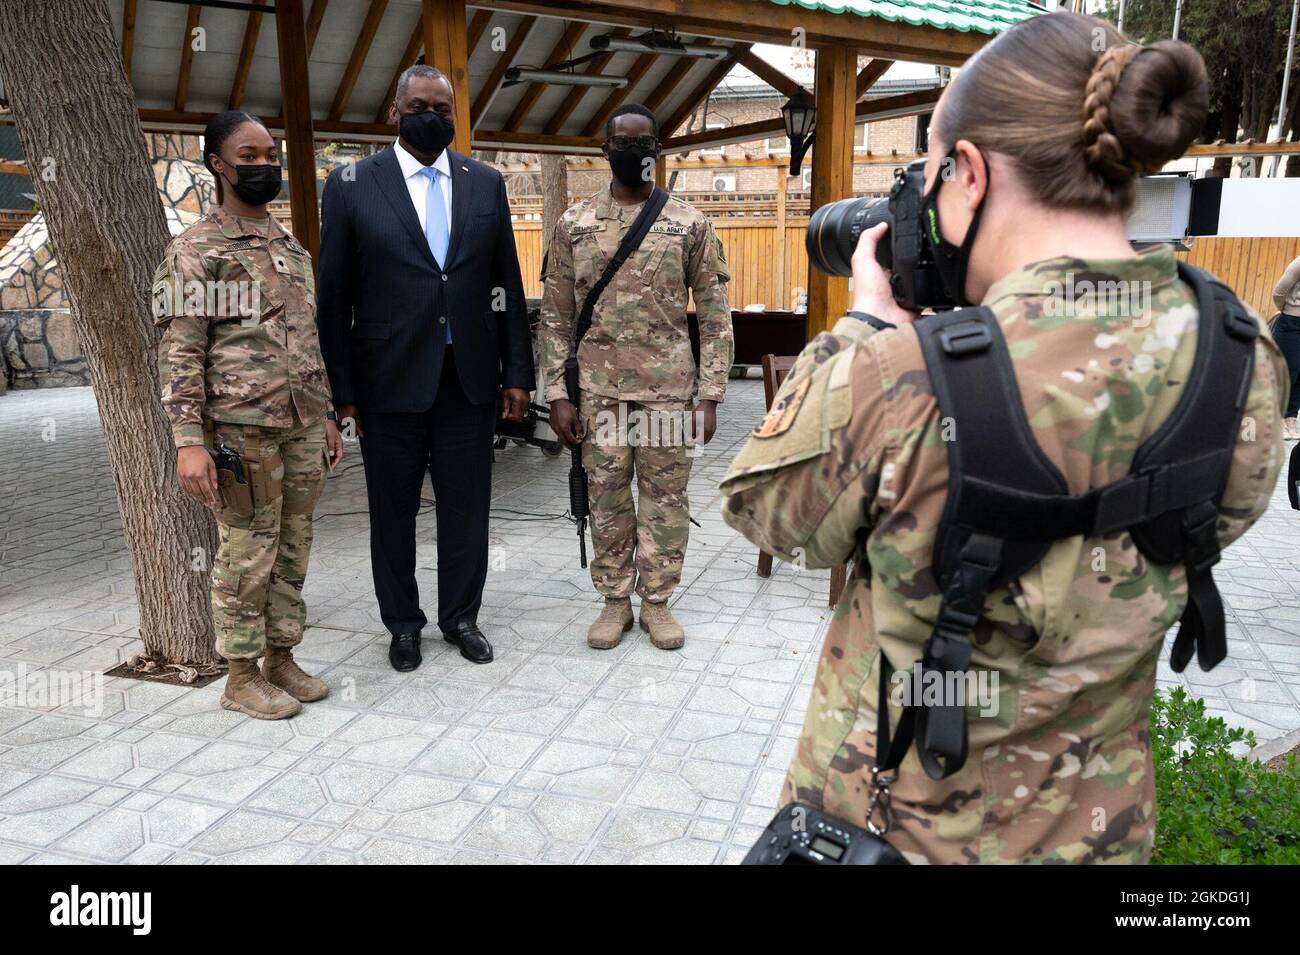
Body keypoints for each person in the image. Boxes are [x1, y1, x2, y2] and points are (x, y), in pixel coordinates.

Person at [720, 11, 1288, 863]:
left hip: (897, 831)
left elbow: (764, 506)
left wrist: (866, 321)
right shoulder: (1238, 350)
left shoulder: (904, 376)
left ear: (973, 174)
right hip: (1100, 832)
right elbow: (1224, 517)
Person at [316, 65, 533, 672]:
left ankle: (461, 617)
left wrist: (517, 372)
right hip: (387, 382)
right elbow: (334, 298)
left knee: (468, 509)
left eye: (443, 108)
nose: (431, 116)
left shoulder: (484, 182)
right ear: (394, 110)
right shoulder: (353, 183)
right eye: (419, 105)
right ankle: (403, 624)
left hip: (468, 380)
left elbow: (506, 285)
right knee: (393, 512)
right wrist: (343, 394)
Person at [154, 110, 344, 720]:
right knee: (245, 552)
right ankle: (239, 675)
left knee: (293, 546)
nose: (264, 166)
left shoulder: (290, 247)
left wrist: (329, 416)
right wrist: (188, 440)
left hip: (302, 426)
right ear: (218, 163)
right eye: (249, 156)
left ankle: (280, 658)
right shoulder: (195, 250)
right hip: (241, 431)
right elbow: (180, 348)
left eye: (270, 155)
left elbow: (308, 339)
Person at [539, 104, 733, 651]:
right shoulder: (573, 224)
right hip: (598, 395)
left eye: (644, 143)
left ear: (657, 150)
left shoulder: (689, 224)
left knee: (666, 498)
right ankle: (614, 601)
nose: (634, 151)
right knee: (606, 498)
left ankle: (657, 602)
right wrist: (556, 394)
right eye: (623, 143)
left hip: (668, 396)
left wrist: (711, 394)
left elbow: (717, 316)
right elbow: (554, 316)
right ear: (606, 151)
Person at [1272, 254, 1300, 439]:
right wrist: (1287, 310)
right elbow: (1279, 292)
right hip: (1292, 324)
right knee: (1288, 373)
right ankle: (1277, 418)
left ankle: (1291, 418)